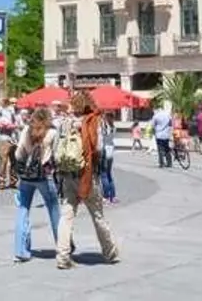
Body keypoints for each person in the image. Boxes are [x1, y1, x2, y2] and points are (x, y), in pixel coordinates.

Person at [54, 89, 120, 269]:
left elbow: (56, 147)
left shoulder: (64, 122)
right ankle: (110, 251)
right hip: (87, 175)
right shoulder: (91, 121)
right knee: (97, 215)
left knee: (66, 215)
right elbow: (98, 148)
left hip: (67, 173)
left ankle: (62, 255)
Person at [12, 107, 60, 262]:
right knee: (54, 210)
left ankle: (21, 251)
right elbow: (57, 157)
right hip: (45, 177)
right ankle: (63, 246)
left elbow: (18, 154)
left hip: (26, 177)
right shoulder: (52, 133)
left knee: (23, 209)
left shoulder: (26, 130)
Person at [150, 103, 174, 168]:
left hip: (159, 135)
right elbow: (171, 125)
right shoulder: (168, 115)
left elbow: (152, 126)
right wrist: (170, 133)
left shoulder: (156, 116)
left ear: (156, 109)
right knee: (167, 149)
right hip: (166, 135)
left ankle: (162, 163)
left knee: (160, 149)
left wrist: (153, 132)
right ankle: (169, 163)